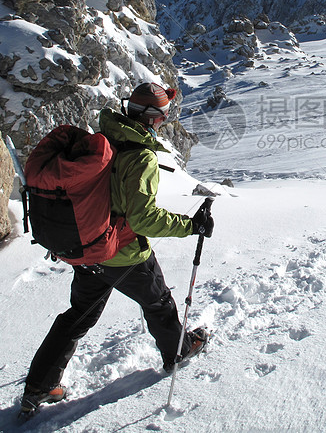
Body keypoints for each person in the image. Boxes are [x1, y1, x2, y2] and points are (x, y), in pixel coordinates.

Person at [20, 82, 214, 415]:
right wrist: (190, 225)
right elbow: (143, 219)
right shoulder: (140, 157)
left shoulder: (102, 139)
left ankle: (40, 385)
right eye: (164, 115)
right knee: (160, 305)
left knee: (77, 317)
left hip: (88, 251)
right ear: (152, 118)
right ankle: (179, 351)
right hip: (123, 254)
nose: (165, 120)